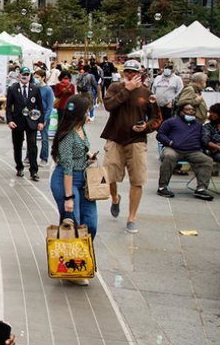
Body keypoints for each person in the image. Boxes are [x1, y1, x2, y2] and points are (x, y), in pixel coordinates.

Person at [101, 59, 161, 234]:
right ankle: (115, 198)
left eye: (133, 72)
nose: (129, 75)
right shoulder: (115, 88)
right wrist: (126, 90)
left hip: (136, 140)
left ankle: (131, 217)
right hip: (115, 137)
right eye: (127, 71)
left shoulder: (146, 93)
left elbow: (156, 117)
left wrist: (146, 127)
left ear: (140, 74)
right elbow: (109, 105)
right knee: (109, 176)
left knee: (137, 179)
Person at [50, 95, 98, 286]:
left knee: (91, 223)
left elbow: (81, 149)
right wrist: (68, 197)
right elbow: (67, 167)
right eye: (87, 109)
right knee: (73, 222)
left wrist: (88, 156)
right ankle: (70, 268)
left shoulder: (81, 128)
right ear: (80, 112)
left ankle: (81, 258)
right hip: (66, 181)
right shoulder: (67, 136)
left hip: (83, 180)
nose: (89, 113)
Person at [156, 103, 215, 201]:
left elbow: (204, 138)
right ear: (181, 111)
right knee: (169, 156)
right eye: (188, 109)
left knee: (206, 160)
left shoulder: (198, 125)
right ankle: (162, 187)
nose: (191, 112)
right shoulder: (171, 122)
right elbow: (160, 135)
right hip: (173, 149)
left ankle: (201, 189)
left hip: (193, 151)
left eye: (193, 110)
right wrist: (169, 142)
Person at [6, 66, 44, 180]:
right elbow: (8, 107)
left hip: (31, 121)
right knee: (17, 145)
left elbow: (40, 106)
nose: (25, 76)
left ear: (29, 76)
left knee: (32, 145)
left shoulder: (35, 89)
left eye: (27, 74)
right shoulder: (13, 88)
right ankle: (19, 167)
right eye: (23, 74)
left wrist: (41, 121)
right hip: (17, 121)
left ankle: (34, 171)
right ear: (19, 75)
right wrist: (9, 120)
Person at [35, 69, 55, 165]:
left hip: (44, 117)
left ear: (43, 78)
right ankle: (29, 156)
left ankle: (44, 158)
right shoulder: (35, 88)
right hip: (34, 115)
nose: (36, 79)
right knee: (32, 138)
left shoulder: (48, 90)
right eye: (35, 77)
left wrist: (45, 119)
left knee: (44, 138)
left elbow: (50, 106)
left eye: (38, 77)